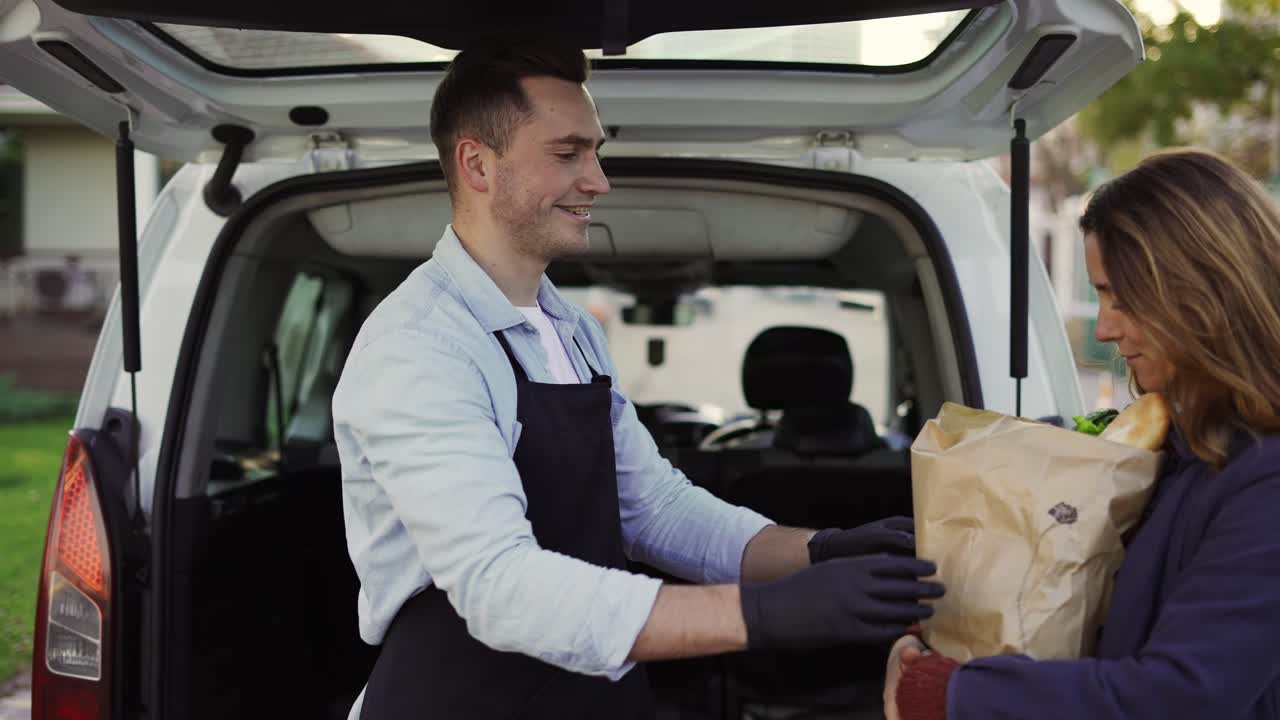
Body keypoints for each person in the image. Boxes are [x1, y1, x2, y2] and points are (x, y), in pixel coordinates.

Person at [332, 36, 945, 720]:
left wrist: (817, 551)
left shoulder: (570, 330)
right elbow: (499, 586)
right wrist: (763, 613)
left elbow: (653, 508)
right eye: (568, 154)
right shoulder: (420, 346)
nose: (599, 179)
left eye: (596, 151)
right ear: (478, 164)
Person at [883, 148, 1280, 720]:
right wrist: (970, 613)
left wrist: (955, 694)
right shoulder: (1176, 447)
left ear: (1204, 289)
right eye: (1100, 295)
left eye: (1122, 296)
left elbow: (1182, 694)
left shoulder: (1265, 479)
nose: (1105, 327)